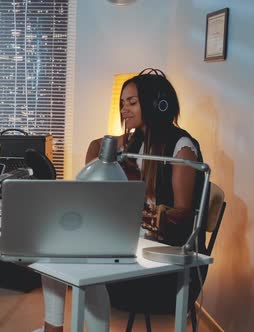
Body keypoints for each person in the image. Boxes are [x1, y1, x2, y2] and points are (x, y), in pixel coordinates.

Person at [35, 68, 206, 332]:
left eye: (132, 102)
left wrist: (156, 212)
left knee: (82, 259)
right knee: (53, 245)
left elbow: (184, 213)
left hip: (166, 260)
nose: (125, 109)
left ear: (156, 104)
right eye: (122, 103)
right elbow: (96, 147)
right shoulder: (136, 142)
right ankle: (52, 327)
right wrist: (113, 146)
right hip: (134, 240)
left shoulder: (181, 146)